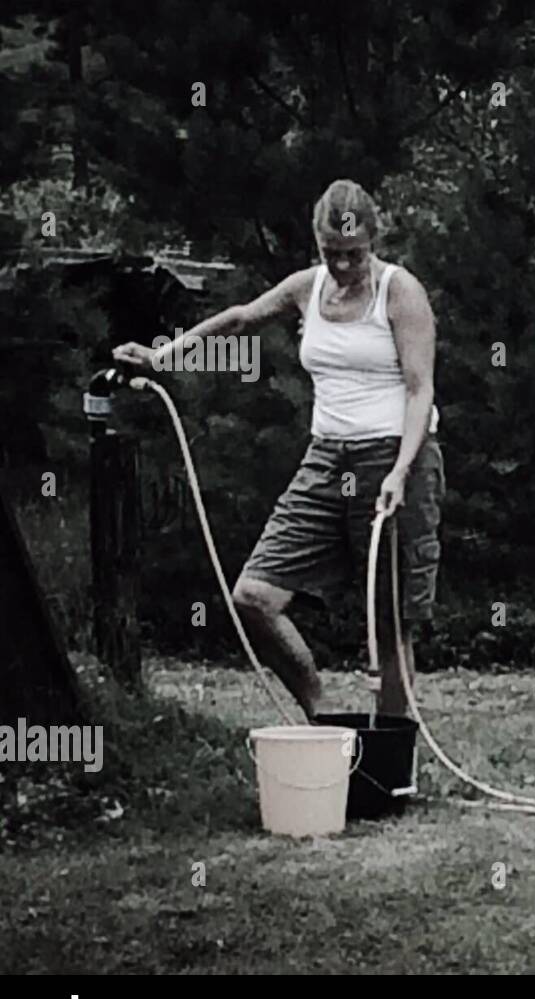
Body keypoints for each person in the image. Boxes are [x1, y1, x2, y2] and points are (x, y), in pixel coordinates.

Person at [113, 179, 444, 721]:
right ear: (318, 245)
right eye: (331, 254)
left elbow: (419, 388)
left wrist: (401, 471)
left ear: (373, 241)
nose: (342, 267)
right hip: (326, 456)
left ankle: (391, 757)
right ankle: (324, 718)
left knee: (387, 620)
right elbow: (242, 317)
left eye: (353, 255)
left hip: (392, 455)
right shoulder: (307, 287)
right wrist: (163, 356)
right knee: (254, 596)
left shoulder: (400, 291)